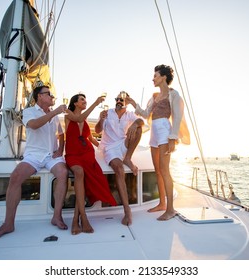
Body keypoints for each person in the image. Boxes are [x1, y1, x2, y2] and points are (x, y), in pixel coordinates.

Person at [0, 85, 69, 241]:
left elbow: (61, 134)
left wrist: (60, 150)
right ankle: (8, 223)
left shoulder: (54, 116)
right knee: (16, 176)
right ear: (39, 96)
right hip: (34, 154)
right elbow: (34, 125)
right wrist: (55, 112)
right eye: (48, 94)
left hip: (51, 155)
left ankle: (56, 216)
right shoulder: (29, 111)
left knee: (63, 173)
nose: (52, 97)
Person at [127, 64, 190, 221]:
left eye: (155, 76)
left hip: (164, 131)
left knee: (165, 170)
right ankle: (162, 203)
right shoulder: (154, 96)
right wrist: (134, 103)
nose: (153, 78)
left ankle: (171, 209)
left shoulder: (173, 95)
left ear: (163, 77)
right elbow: (146, 113)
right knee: (158, 171)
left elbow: (177, 117)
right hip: (154, 133)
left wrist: (173, 138)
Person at [64, 93, 117, 235]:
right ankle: (83, 218)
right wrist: (95, 103)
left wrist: (106, 148)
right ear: (75, 103)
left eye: (85, 100)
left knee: (83, 178)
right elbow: (78, 118)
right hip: (73, 154)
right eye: (82, 99)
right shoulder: (68, 114)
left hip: (87, 154)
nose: (84, 101)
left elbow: (91, 139)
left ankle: (76, 219)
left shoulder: (85, 121)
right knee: (79, 172)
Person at [95, 91, 144, 225]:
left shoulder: (129, 115)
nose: (118, 101)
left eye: (122, 100)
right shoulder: (108, 112)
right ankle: (127, 210)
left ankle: (128, 158)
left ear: (126, 103)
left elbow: (141, 121)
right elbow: (98, 130)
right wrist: (101, 119)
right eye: (117, 99)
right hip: (110, 147)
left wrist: (134, 124)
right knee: (119, 168)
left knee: (139, 128)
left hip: (122, 144)